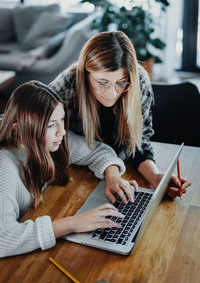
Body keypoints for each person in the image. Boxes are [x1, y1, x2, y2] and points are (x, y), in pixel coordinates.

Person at [0, 81, 135, 258]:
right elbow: (4, 239)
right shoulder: (4, 166)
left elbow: (97, 151)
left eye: (62, 120)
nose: (62, 132)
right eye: (50, 125)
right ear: (19, 130)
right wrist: (73, 224)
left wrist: (113, 175)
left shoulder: (51, 141)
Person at [49, 31, 191, 199]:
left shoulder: (138, 83)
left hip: (121, 167)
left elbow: (138, 144)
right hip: (72, 172)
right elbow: (42, 134)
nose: (111, 93)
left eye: (120, 83)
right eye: (103, 83)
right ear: (86, 74)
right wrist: (111, 170)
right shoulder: (66, 86)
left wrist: (156, 177)